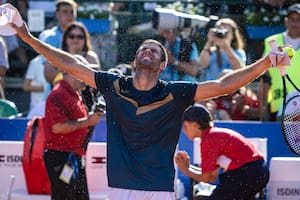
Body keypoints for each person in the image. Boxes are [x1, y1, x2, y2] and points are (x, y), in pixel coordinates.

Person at [11, 5, 290, 198]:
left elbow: (223, 85)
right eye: (144, 48)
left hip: (159, 189)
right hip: (120, 188)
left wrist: (265, 63)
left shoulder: (176, 92)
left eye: (155, 50)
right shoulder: (113, 84)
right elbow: (71, 64)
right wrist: (26, 36)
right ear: (135, 60)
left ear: (161, 64)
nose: (148, 50)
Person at [175, 104, 270, 199]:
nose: (184, 130)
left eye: (185, 126)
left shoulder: (209, 139)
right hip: (257, 172)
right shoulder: (213, 135)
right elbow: (212, 176)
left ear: (196, 125)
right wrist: (189, 167)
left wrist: (185, 170)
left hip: (248, 173)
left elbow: (206, 177)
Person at [43, 67, 103, 200]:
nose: (85, 78)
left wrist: (88, 121)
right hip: (62, 155)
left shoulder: (74, 93)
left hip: (72, 156)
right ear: (70, 73)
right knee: (65, 196)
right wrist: (87, 121)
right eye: (82, 73)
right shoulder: (59, 94)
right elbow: (57, 127)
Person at [263, 3, 300, 121]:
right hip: (277, 103)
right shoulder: (271, 41)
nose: (294, 23)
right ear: (285, 21)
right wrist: (263, 109)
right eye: (291, 19)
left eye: (298, 20)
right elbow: (265, 77)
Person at [39, 0, 77, 96]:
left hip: (76, 94)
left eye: (72, 12)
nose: (69, 15)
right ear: (57, 15)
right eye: (65, 12)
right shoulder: (51, 38)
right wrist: (74, 68)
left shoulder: (80, 35)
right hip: (56, 95)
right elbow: (49, 75)